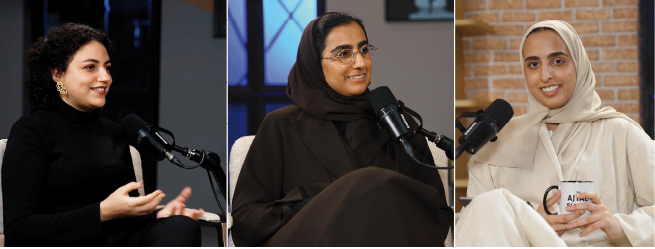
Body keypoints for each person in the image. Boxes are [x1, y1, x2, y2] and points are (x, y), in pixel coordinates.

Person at [230, 12, 453, 246]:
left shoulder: (398, 123)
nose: (360, 63)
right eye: (344, 54)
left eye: (364, 50)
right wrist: (315, 206)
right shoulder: (281, 125)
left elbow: (435, 212)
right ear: (315, 62)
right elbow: (247, 218)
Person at [2, 23, 205, 246]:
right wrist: (101, 212)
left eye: (107, 68)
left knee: (180, 226)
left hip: (117, 241)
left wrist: (157, 216)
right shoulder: (31, 132)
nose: (105, 77)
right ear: (57, 74)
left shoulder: (115, 132)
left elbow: (127, 217)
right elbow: (19, 231)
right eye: (91, 67)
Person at [456, 20, 653, 247]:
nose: (545, 75)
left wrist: (621, 225)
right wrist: (529, 227)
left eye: (557, 61)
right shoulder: (496, 143)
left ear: (578, 63)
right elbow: (474, 228)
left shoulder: (620, 133)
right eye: (533, 64)